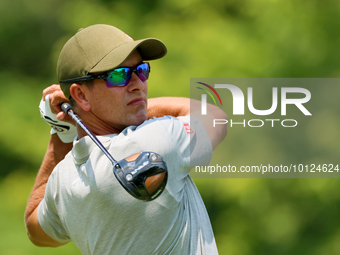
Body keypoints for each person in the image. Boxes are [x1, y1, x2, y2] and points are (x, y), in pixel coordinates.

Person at [24, 24, 227, 255]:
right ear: (81, 95)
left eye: (141, 70)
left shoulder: (63, 181)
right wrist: (140, 107)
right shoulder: (155, 142)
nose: (138, 85)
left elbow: (35, 229)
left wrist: (62, 130)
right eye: (118, 75)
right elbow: (215, 118)